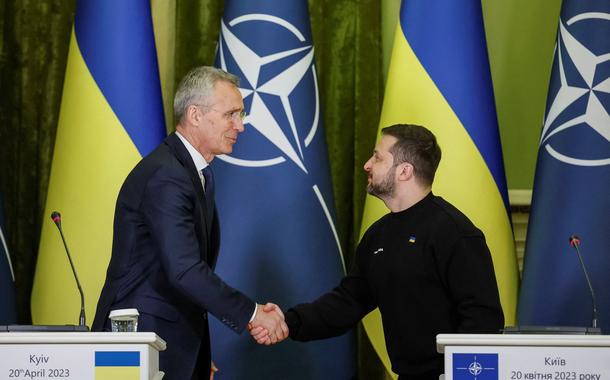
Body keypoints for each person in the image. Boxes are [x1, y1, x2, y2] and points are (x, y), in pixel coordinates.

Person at [253, 124, 504, 379]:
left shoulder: (456, 233)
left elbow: (482, 320)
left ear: (404, 171)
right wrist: (287, 321)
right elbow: (348, 302)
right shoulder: (378, 236)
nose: (367, 165)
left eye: (377, 157)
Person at [92, 66, 288, 380]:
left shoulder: (193, 174)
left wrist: (194, 354)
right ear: (195, 114)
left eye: (241, 115)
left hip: (169, 341)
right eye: (231, 114)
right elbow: (184, 270)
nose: (240, 125)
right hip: (138, 341)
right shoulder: (167, 176)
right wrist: (252, 314)